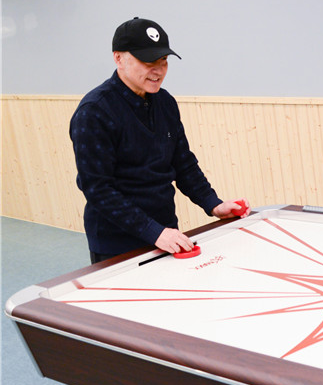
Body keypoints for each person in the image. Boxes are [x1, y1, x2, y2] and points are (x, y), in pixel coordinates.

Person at [70, 17, 248, 264]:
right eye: (148, 62)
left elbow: (183, 163)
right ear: (118, 58)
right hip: (117, 243)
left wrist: (213, 204)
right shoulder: (94, 111)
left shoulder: (165, 102)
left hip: (166, 232)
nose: (158, 70)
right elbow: (97, 189)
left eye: (163, 60)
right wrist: (154, 232)